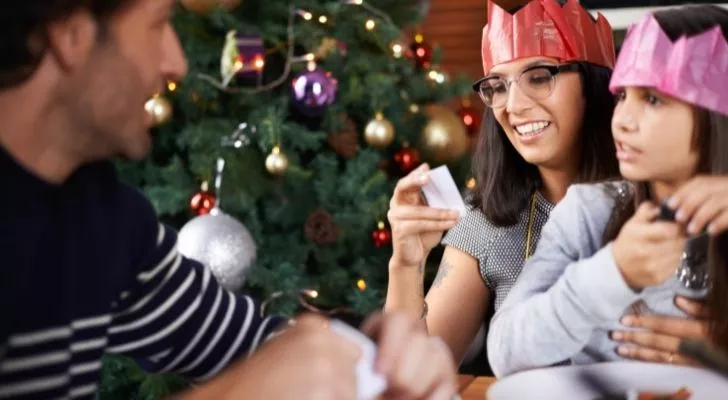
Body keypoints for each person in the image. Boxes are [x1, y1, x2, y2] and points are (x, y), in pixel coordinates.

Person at [0, 1, 457, 399]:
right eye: (158, 23)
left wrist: (372, 348)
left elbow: (248, 342)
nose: (175, 64)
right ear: (70, 31)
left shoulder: (101, 216)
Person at [486, 4, 728, 377]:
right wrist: (613, 274)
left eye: (652, 99)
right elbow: (505, 350)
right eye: (621, 97)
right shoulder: (589, 212)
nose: (623, 121)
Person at [384, 0, 618, 364]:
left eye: (540, 76)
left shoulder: (656, 202)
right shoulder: (490, 221)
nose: (514, 105)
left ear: (594, 83)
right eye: (498, 86)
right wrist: (405, 265)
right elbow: (407, 377)